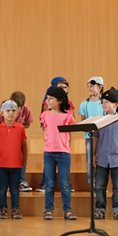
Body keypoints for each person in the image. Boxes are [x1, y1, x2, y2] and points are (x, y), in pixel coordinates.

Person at [93, 87, 118, 220]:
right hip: (102, 159)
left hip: (117, 159)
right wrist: (93, 154)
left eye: (107, 102)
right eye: (102, 102)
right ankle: (99, 209)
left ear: (116, 104)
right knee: (99, 186)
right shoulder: (99, 120)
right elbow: (96, 138)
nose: (104, 104)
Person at [41, 87, 77, 220]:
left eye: (51, 98)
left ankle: (67, 209)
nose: (47, 101)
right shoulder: (45, 115)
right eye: (47, 98)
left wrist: (67, 147)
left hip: (63, 154)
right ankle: (48, 209)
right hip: (49, 153)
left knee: (64, 183)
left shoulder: (67, 116)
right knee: (49, 183)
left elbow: (70, 133)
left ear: (60, 101)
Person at [36, 77, 75, 193]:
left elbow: (70, 125)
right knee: (49, 167)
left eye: (65, 87)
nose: (63, 89)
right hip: (51, 141)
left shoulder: (69, 105)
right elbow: (45, 118)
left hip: (63, 143)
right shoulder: (48, 104)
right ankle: (44, 181)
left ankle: (66, 184)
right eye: (60, 87)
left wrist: (69, 143)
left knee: (64, 172)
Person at [0, 100, 28, 219]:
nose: (10, 113)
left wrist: (25, 160)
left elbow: (24, 146)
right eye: (8, 110)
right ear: (2, 113)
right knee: (2, 188)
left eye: (13, 111)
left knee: (15, 188)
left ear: (17, 113)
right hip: (2, 164)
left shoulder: (21, 128)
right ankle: (3, 209)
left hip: (16, 164)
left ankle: (15, 209)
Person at [0, 91, 33, 191]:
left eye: (20, 107)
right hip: (6, 138)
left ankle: (21, 181)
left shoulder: (26, 109)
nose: (18, 110)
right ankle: (8, 182)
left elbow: (28, 124)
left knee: (20, 157)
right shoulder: (6, 108)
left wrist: (17, 127)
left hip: (18, 137)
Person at [79, 77, 105, 183]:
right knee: (90, 161)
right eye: (88, 86)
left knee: (101, 160)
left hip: (102, 137)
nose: (89, 88)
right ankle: (92, 182)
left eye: (92, 86)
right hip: (89, 137)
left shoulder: (104, 103)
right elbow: (82, 122)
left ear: (99, 87)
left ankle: (101, 183)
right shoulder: (84, 104)